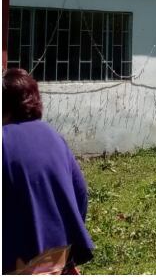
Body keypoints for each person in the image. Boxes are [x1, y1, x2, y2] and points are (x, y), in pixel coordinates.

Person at [3, 68, 94, 274]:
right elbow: (80, 194)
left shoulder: (4, 140)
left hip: (17, 263)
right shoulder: (54, 137)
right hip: (57, 259)